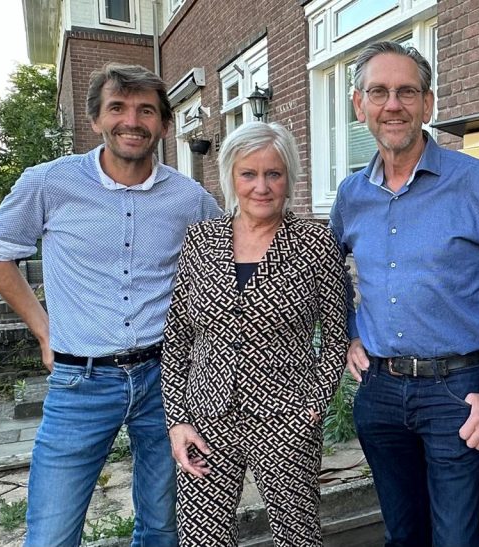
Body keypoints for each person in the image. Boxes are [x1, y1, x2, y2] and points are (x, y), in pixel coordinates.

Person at [0, 63, 222, 546]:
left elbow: (219, 263)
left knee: (164, 526)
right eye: (118, 108)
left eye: (146, 110)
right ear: (97, 120)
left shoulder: (189, 198)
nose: (132, 120)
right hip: (80, 381)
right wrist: (44, 330)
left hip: (166, 380)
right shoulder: (49, 183)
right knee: (52, 533)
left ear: (164, 124)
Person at [329, 41, 479, 546]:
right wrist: (347, 337)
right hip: (378, 392)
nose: (392, 104)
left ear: (428, 103)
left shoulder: (476, 183)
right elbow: (327, 277)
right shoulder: (351, 194)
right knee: (402, 535)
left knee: (455, 539)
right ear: (360, 105)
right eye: (379, 92)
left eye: (406, 92)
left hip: (455, 393)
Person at [161, 121, 348, 546]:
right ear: (231, 178)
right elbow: (176, 340)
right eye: (249, 174)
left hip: (287, 418)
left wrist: (311, 409)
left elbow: (336, 338)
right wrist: (178, 421)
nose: (261, 186)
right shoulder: (201, 240)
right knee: (202, 538)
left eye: (273, 174)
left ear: (289, 179)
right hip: (206, 418)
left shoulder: (315, 244)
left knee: (298, 537)